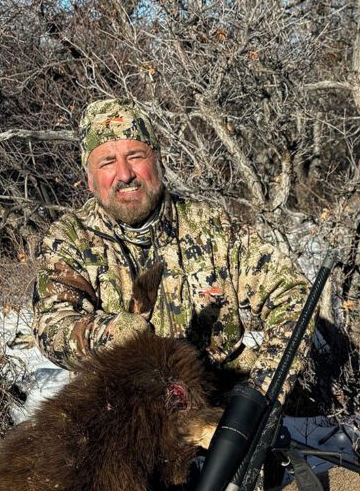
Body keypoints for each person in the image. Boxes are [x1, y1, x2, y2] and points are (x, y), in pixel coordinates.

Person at [32, 98, 312, 393]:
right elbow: (51, 325)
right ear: (90, 179)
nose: (125, 174)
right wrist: (110, 334)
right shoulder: (70, 239)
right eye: (107, 162)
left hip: (217, 404)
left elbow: (293, 292)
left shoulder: (213, 227)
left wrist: (265, 387)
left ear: (158, 160)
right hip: (122, 409)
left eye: (135, 156)